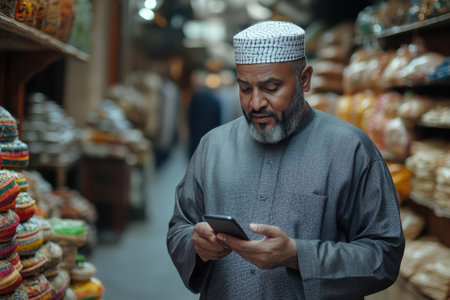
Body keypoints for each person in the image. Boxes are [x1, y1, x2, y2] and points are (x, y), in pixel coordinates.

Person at [166, 21, 404, 299]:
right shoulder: (213, 147)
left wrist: (298, 256)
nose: (256, 103)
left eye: (271, 87)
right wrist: (197, 244)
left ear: (305, 79)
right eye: (245, 89)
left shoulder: (350, 149)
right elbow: (179, 227)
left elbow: (384, 254)